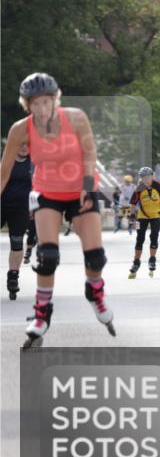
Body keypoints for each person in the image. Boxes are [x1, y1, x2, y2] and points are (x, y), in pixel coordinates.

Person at [0, 73, 115, 347]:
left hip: (80, 191)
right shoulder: (20, 129)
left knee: (95, 257)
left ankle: (95, 292)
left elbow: (90, 153)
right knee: (47, 255)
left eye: (46, 102)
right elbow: (4, 172)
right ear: (27, 105)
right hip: (46, 192)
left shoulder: (75, 118)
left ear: (55, 100)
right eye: (35, 104)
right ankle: (41, 315)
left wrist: (88, 186)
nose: (41, 109)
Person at [2, 142, 33, 300]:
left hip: (20, 209)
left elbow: (37, 188)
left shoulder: (33, 163)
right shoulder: (4, 158)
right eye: (20, 144)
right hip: (1, 204)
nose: (23, 147)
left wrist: (34, 209)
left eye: (26, 145)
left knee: (17, 243)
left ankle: (13, 277)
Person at [128, 166, 160, 279]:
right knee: (140, 238)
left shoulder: (158, 186)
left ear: (152, 176)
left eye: (148, 177)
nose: (146, 179)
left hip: (156, 216)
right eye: (144, 177)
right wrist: (132, 216)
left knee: (154, 236)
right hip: (142, 216)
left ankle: (152, 260)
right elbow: (133, 203)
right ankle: (136, 262)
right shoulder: (139, 188)